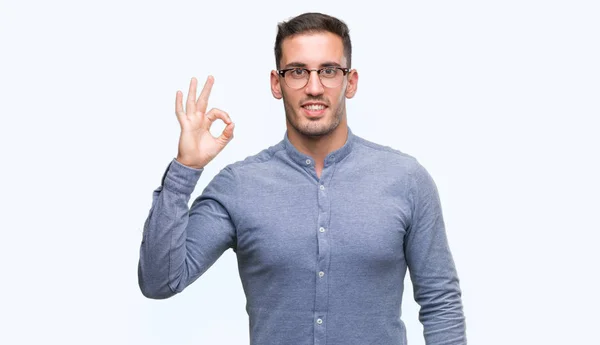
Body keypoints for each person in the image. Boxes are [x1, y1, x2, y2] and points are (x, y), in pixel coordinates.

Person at [138, 12, 467, 345]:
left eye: (328, 71)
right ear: (276, 83)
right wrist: (185, 168)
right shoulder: (238, 186)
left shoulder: (407, 180)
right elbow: (158, 281)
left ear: (349, 82)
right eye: (297, 72)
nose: (313, 87)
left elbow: (440, 302)